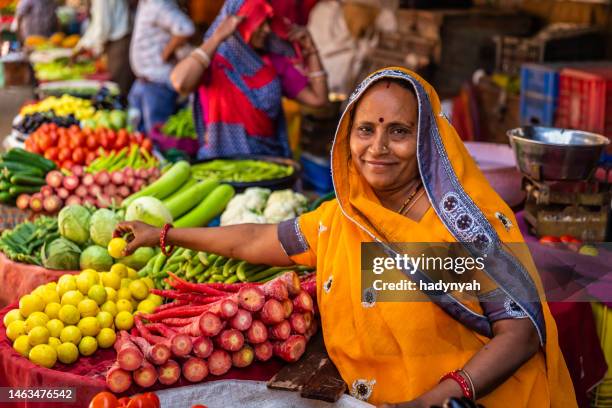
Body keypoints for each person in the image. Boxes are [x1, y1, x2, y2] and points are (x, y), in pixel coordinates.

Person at [115, 68, 576, 407]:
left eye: (398, 131)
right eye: (365, 130)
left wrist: (440, 396)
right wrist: (165, 233)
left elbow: (518, 331)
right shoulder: (343, 218)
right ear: (346, 139)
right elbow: (255, 240)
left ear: (426, 141)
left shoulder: (458, 227)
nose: (377, 148)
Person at [170, 0, 328, 159]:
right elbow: (180, 82)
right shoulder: (214, 62)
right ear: (237, 23)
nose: (267, 30)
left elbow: (318, 99)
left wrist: (311, 49)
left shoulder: (273, 61)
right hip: (219, 165)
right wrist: (217, 37)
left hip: (268, 161)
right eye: (260, 22)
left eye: (268, 22)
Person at [128, 0, 195, 134]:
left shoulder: (158, 5)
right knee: (137, 131)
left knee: (156, 135)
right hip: (144, 80)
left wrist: (166, 53)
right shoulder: (146, 4)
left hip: (156, 82)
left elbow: (186, 29)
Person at [76, 0, 135, 100]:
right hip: (114, 42)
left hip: (119, 43)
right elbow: (97, 25)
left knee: (118, 88)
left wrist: (84, 47)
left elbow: (102, 28)